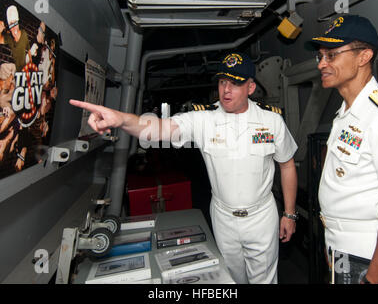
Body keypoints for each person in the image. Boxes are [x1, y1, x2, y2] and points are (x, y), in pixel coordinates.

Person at [69, 52, 299, 284]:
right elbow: (159, 128)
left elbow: (287, 166)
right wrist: (120, 119)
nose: (226, 90)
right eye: (222, 82)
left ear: (250, 87)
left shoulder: (272, 122)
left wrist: (289, 214)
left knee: (265, 280)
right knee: (232, 278)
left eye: (235, 83)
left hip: (261, 216)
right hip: (223, 218)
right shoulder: (204, 119)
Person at [309, 14, 378, 284]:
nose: (322, 63)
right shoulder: (346, 111)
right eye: (320, 56)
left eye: (332, 55)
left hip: (374, 255)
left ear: (364, 56)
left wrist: (375, 279)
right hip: (343, 248)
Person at [0, 5, 31, 72]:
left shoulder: (24, 34)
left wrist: (30, 62)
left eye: (15, 24)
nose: (14, 27)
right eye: (11, 25)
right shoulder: (9, 38)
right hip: (15, 71)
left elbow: (28, 48)